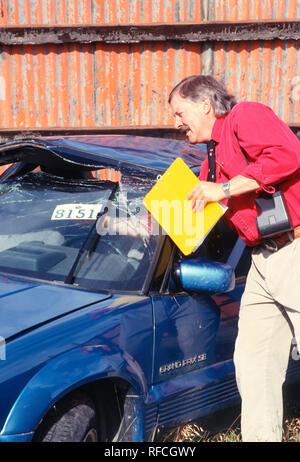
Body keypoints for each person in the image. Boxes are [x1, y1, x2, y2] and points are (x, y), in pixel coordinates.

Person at [168, 74, 300, 442]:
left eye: (180, 113)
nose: (176, 123)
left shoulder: (245, 116)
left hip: (295, 251)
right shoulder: (212, 153)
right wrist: (127, 226)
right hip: (263, 259)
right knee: (254, 364)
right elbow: (191, 210)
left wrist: (222, 189)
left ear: (204, 105)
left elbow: (288, 155)